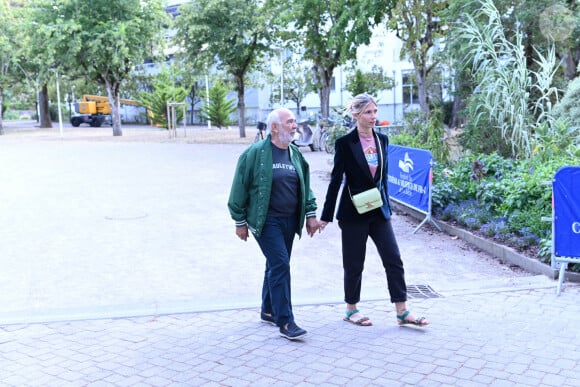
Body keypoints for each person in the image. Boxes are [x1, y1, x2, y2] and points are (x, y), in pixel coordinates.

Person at [318, 93, 429, 328]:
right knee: (354, 262)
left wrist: (387, 206)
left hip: (378, 211)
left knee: (393, 259)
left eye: (375, 112)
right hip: (353, 213)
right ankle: (351, 309)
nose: (373, 117)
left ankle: (402, 310)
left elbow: (382, 178)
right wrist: (326, 216)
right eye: (368, 112)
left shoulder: (382, 140)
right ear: (356, 115)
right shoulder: (345, 143)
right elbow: (336, 180)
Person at [228, 107, 319, 340]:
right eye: (289, 122)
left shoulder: (295, 153)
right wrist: (240, 221)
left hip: (290, 220)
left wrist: (310, 214)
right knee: (280, 265)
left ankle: (268, 310)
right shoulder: (255, 153)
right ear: (275, 127)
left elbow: (305, 186)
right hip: (266, 220)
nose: (294, 125)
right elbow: (239, 186)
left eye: (294, 122)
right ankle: (285, 321)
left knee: (276, 264)